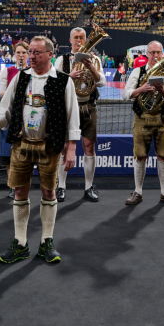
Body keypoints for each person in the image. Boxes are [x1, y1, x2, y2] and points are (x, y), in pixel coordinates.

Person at [0, 36, 78, 264]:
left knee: (49, 192)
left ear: (50, 54)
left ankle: (46, 242)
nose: (31, 56)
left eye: (36, 52)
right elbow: (6, 108)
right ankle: (20, 243)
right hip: (21, 143)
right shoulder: (21, 77)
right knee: (19, 191)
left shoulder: (64, 81)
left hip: (49, 145)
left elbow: (73, 116)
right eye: (30, 52)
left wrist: (71, 147)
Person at [123, 41, 164, 206]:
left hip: (163, 118)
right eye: (152, 52)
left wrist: (162, 91)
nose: (155, 56)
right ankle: (138, 192)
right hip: (142, 118)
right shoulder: (138, 71)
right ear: (147, 54)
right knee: (140, 156)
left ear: (163, 54)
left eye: (158, 52)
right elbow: (125, 94)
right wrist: (141, 89)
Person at [54, 27, 105, 202]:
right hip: (68, 107)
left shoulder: (95, 59)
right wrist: (69, 76)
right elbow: (52, 83)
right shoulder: (62, 59)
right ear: (70, 40)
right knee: (64, 148)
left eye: (82, 37)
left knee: (89, 146)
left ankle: (89, 187)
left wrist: (91, 67)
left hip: (88, 106)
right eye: (75, 37)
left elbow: (102, 82)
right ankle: (61, 186)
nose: (79, 41)